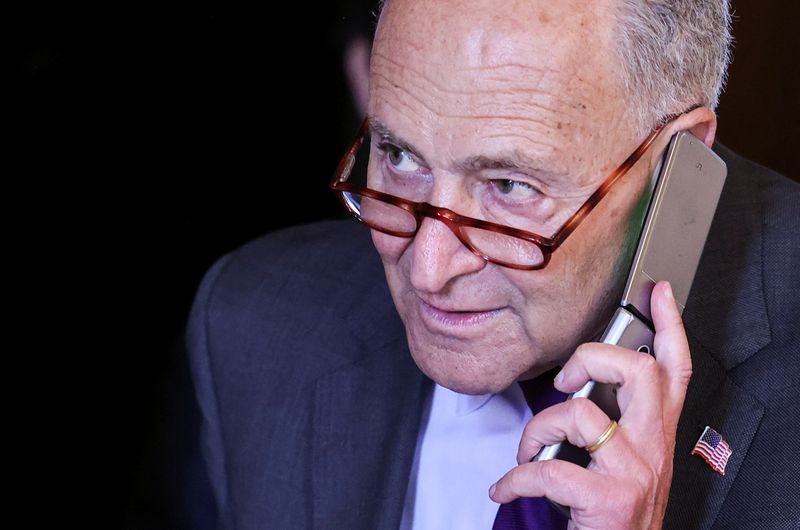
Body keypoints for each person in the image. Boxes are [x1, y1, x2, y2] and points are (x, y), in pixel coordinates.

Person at [186, 0, 800, 528]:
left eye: (507, 187)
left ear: (681, 161)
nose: (427, 270)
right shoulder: (251, 327)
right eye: (399, 153)